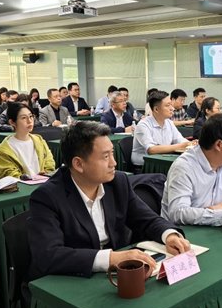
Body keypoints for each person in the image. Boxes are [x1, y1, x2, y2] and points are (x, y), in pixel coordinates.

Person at [26, 121, 190, 282]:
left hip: (114, 275)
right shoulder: (47, 197)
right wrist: (110, 258)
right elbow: (49, 255)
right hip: (73, 280)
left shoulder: (117, 182)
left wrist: (169, 235)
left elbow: (146, 218)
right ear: (78, 164)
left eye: (112, 153)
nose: (114, 163)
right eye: (105, 157)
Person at [161, 113, 222, 226]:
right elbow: (178, 213)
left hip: (215, 228)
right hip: (183, 232)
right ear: (219, 145)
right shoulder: (184, 167)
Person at [0, 103, 55, 180]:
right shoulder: (5, 149)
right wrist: (27, 179)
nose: (29, 121)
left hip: (43, 183)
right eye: (23, 118)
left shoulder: (39, 140)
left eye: (31, 116)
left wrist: (45, 173)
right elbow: (8, 173)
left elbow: (49, 162)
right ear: (12, 122)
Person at [132, 90, 192, 167]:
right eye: (168, 105)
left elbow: (180, 140)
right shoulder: (143, 125)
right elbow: (152, 150)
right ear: (156, 109)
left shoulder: (169, 123)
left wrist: (191, 144)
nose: (172, 108)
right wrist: (181, 146)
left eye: (171, 104)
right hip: (145, 166)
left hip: (163, 160)